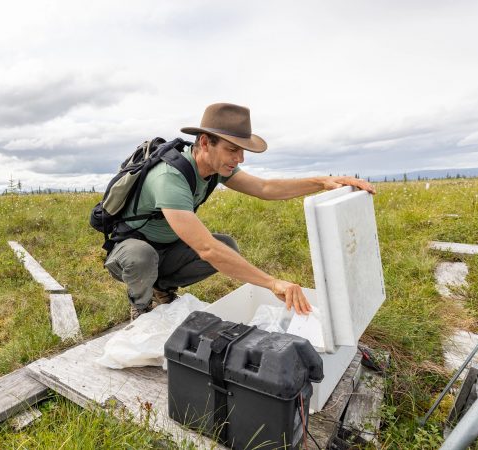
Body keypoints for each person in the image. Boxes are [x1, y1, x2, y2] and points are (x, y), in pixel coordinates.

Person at [104, 102, 376, 320]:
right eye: (232, 149)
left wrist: (322, 182)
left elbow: (266, 188)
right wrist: (272, 283)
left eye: (242, 151)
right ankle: (139, 306)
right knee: (143, 256)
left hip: (168, 247)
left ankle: (161, 289)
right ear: (204, 142)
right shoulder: (169, 177)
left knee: (227, 246)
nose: (240, 159)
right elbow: (206, 248)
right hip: (130, 250)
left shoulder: (214, 168)